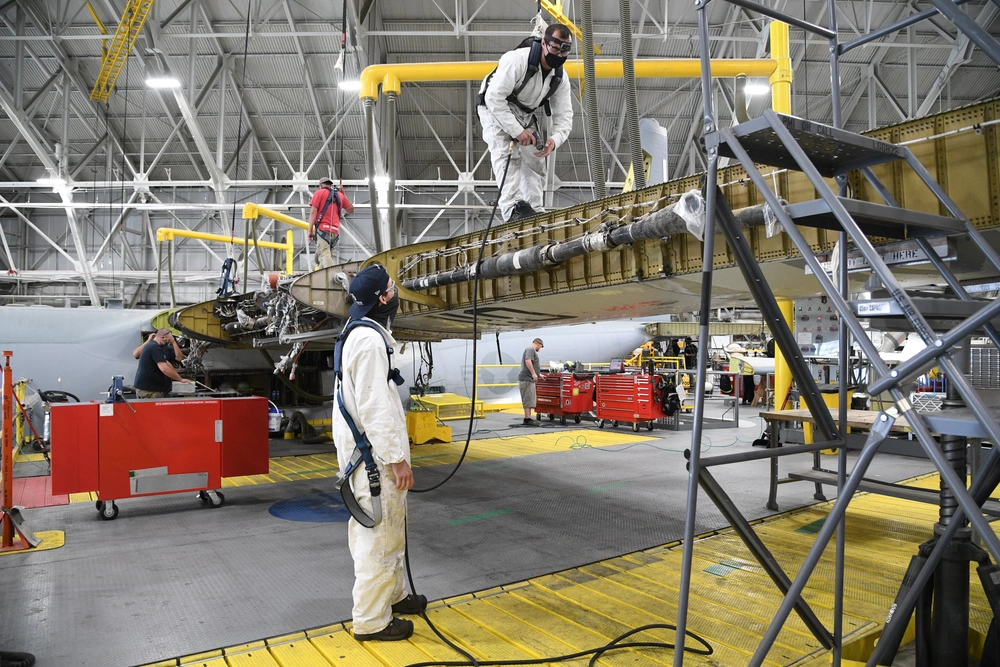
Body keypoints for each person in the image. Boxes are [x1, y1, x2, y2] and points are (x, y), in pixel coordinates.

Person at [333, 265, 425, 642]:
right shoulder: (369, 342)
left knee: (390, 530)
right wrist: (396, 460)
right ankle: (372, 621)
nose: (395, 293)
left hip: (362, 454)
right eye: (392, 287)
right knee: (379, 538)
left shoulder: (356, 333)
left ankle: (395, 596)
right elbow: (375, 407)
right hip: (374, 459)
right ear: (383, 299)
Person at [477, 23, 573, 222]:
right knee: (506, 155)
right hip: (495, 108)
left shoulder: (560, 78)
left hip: (524, 114)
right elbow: (494, 98)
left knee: (536, 158)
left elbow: (564, 116)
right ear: (544, 43)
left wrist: (554, 140)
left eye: (565, 50)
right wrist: (517, 131)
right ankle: (513, 208)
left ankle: (535, 210)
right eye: (555, 48)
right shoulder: (516, 60)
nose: (560, 54)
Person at [308, 177, 355, 268]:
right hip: (335, 232)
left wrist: (309, 230)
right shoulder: (340, 196)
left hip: (323, 230)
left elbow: (313, 212)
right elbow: (351, 210)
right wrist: (343, 194)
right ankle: (319, 280)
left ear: (321, 185)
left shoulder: (319, 193)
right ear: (330, 184)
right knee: (323, 257)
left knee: (325, 256)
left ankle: (333, 275)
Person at [132, 329, 192, 398]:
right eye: (167, 340)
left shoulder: (158, 348)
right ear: (162, 337)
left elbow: (167, 364)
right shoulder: (153, 347)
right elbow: (164, 369)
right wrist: (180, 379)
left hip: (154, 389)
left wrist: (179, 378)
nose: (167, 343)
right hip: (149, 390)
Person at [518, 338, 544, 425]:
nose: (540, 349)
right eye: (540, 346)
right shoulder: (530, 349)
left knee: (529, 398)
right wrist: (533, 374)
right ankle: (527, 419)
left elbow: (532, 364)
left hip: (529, 379)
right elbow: (528, 361)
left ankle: (528, 418)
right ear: (538, 344)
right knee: (527, 398)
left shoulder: (530, 350)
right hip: (526, 379)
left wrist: (539, 374)